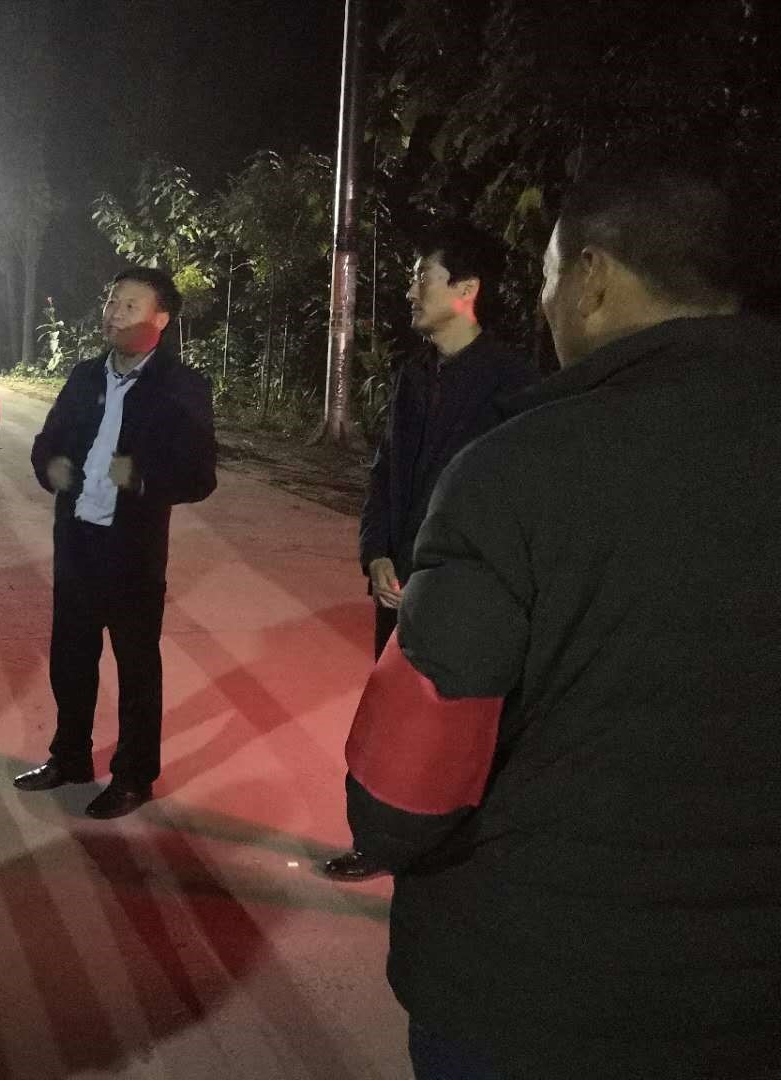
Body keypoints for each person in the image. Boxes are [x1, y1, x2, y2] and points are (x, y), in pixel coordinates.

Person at [343, 159, 781, 1078]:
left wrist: (384, 839)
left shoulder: (520, 464)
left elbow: (407, 785)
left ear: (593, 277)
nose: (545, 303)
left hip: (531, 986)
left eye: (547, 277)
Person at [324, 222, 537, 882]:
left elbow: (517, 502)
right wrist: (376, 554)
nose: (411, 289)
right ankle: (379, 842)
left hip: (464, 591)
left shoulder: (513, 384)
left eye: (423, 277)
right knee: (389, 717)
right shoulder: (412, 375)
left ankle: (461, 855)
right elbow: (386, 474)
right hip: (397, 582)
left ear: (466, 289)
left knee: (463, 725)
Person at [15, 267, 216, 819]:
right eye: (112, 302)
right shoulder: (85, 377)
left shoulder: (181, 387)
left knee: (136, 667)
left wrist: (143, 480)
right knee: (70, 658)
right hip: (77, 541)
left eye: (130, 305)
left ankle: (133, 776)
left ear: (161, 319)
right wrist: (51, 466)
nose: (114, 313)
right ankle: (70, 757)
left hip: (133, 552)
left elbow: (200, 476)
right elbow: (47, 442)